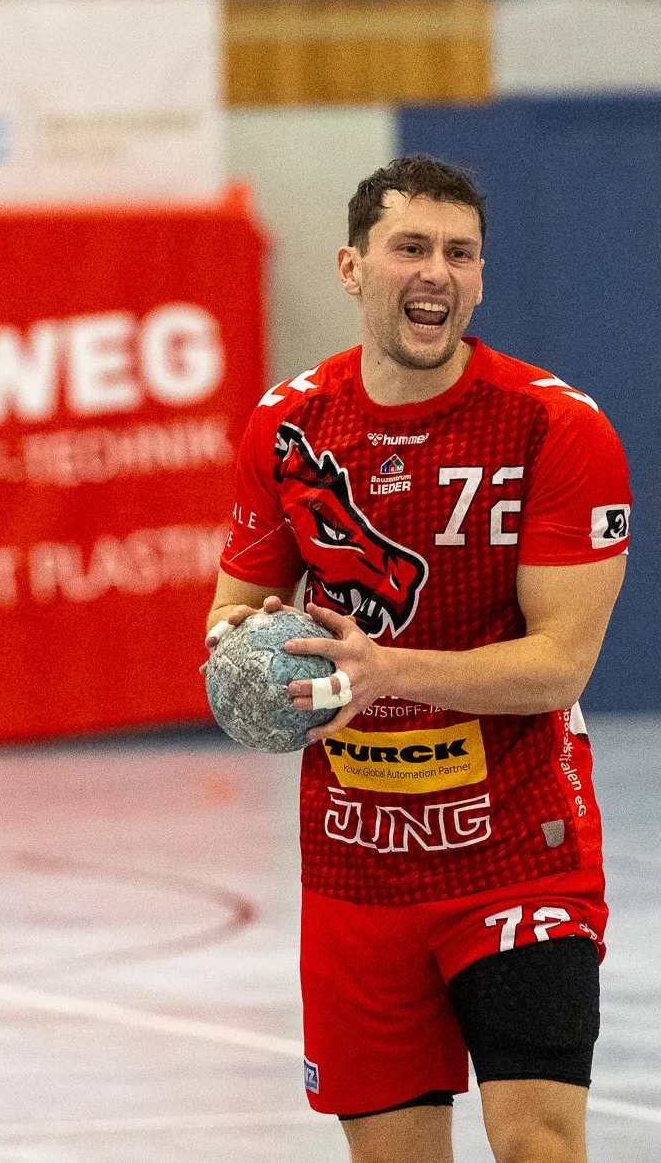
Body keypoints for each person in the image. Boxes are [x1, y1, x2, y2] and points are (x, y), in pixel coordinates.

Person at [204, 156, 631, 1163]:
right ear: (351, 268)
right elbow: (231, 614)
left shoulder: (553, 427)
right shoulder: (288, 427)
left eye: (459, 252)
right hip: (356, 861)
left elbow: (560, 664)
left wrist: (386, 670)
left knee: (537, 1142)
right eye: (410, 248)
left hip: (518, 845)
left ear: (479, 277)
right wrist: (249, 671)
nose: (436, 271)